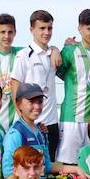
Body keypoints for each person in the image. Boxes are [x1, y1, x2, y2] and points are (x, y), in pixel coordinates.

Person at [56, 8, 90, 164]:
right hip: (73, 118)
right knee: (69, 165)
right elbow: (59, 72)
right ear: (79, 29)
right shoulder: (70, 51)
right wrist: (54, 49)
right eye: (89, 29)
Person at [11, 10, 62, 158]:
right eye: (42, 28)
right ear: (31, 30)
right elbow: (15, 89)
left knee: (49, 167)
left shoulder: (53, 53)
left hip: (51, 122)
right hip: (32, 123)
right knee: (29, 168)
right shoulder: (24, 55)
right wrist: (25, 121)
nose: (46, 32)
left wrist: (55, 49)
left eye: (49, 28)